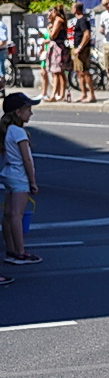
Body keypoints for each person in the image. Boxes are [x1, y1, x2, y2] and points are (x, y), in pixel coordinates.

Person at [1, 92, 40, 270]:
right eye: (28, 110)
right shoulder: (19, 132)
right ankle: (20, 252)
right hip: (19, 176)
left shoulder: (7, 130)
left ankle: (10, 250)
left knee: (8, 214)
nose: (30, 113)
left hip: (8, 173)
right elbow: (27, 159)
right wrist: (32, 181)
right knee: (17, 215)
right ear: (18, 112)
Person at [68, 3, 95, 103]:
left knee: (85, 72)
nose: (71, 9)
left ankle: (91, 95)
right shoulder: (78, 20)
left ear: (76, 9)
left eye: (72, 7)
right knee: (79, 72)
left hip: (82, 50)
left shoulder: (83, 20)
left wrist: (79, 47)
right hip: (76, 49)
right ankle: (83, 93)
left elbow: (87, 34)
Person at [42, 5, 67, 103]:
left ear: (55, 12)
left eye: (51, 12)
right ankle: (61, 95)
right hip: (58, 46)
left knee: (56, 72)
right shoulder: (59, 20)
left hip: (58, 47)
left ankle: (54, 95)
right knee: (59, 72)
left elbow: (52, 35)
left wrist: (49, 29)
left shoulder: (58, 20)